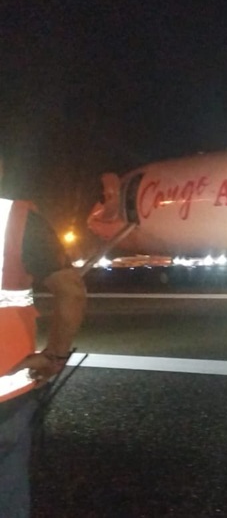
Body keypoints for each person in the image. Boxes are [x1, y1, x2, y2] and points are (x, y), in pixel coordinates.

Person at [0, 161, 88, 518]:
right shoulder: (15, 219)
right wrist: (54, 356)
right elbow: (72, 291)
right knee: (8, 483)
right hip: (7, 390)